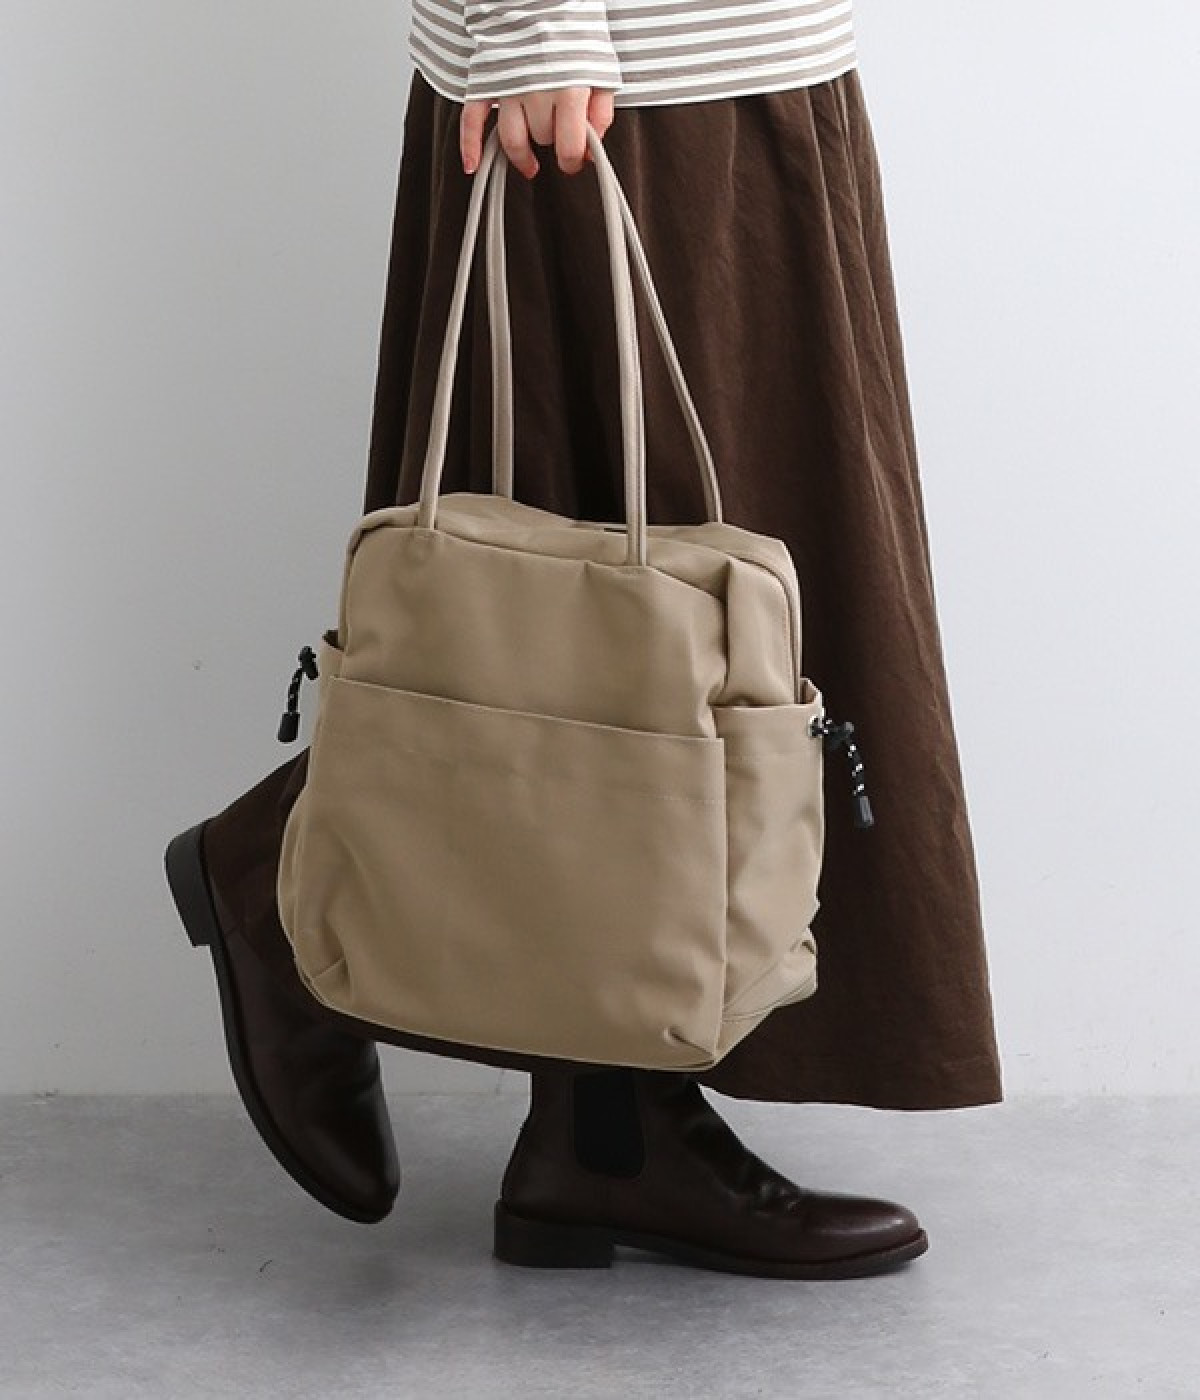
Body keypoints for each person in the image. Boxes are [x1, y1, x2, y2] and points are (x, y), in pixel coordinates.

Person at [164, 0, 1003, 1280]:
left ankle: (606, 1128)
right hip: (619, 84)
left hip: (745, 61)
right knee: (607, 606)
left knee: (684, 631)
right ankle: (285, 869)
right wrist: (534, 22)